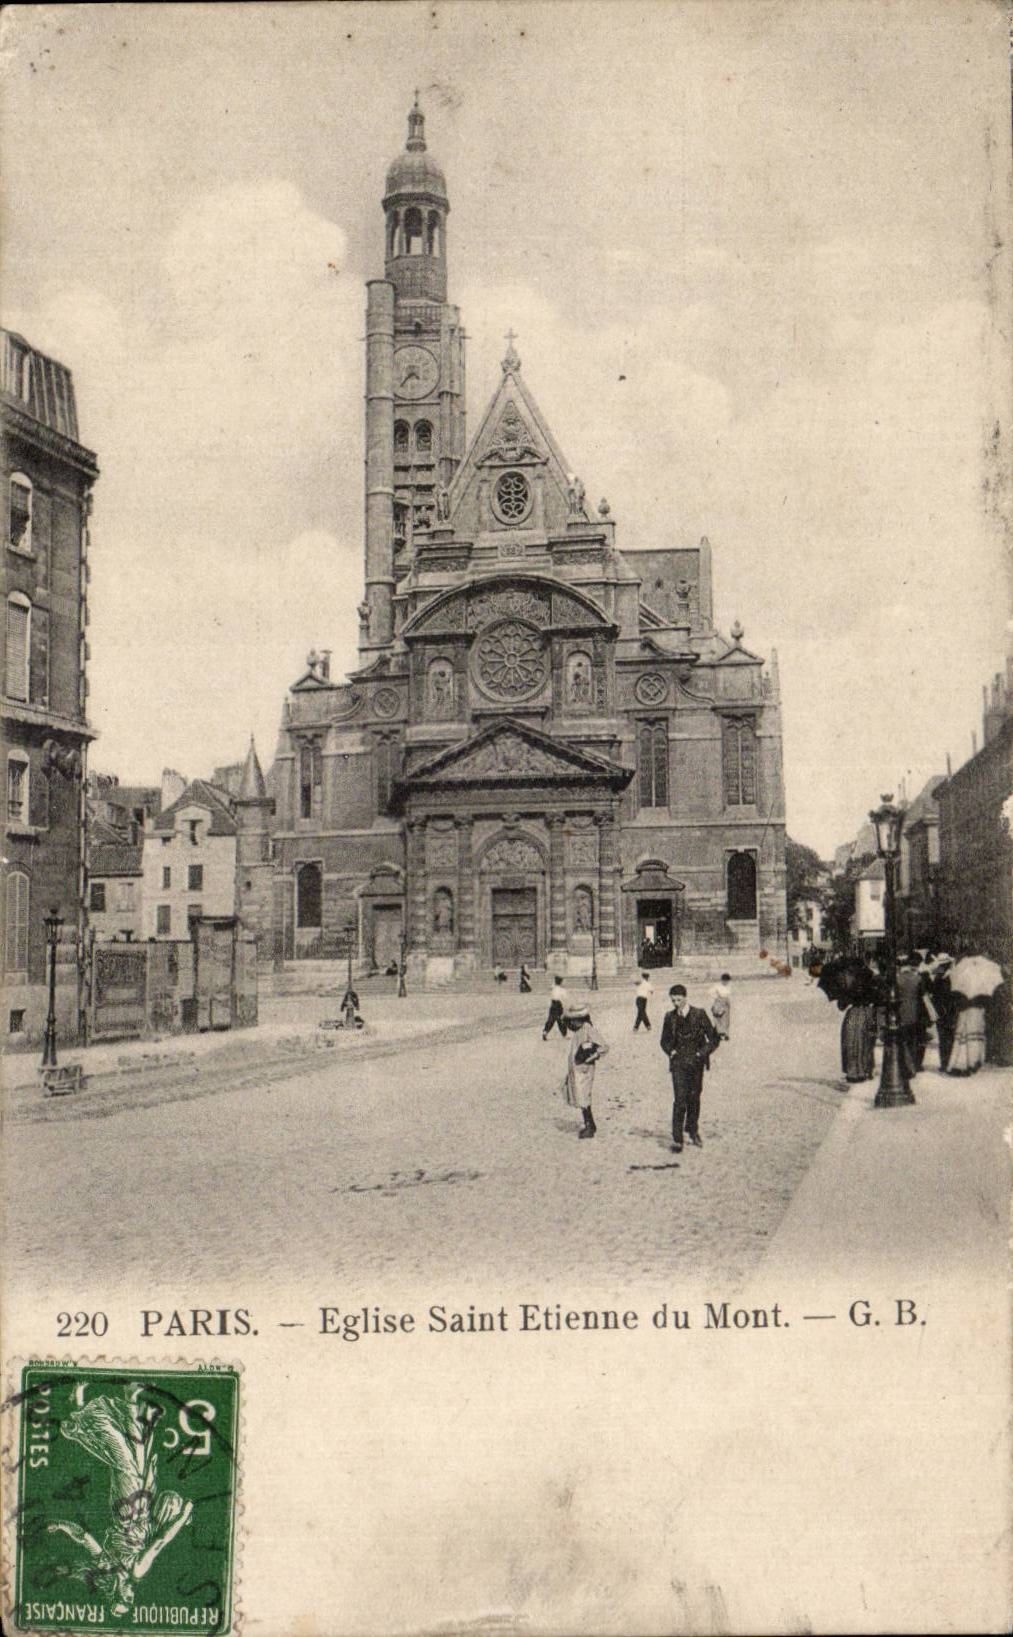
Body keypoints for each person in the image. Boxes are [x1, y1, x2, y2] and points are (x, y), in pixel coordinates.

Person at [660, 984, 719, 1152]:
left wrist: (701, 1053)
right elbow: (664, 1040)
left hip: (696, 1063)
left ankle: (693, 1130)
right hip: (678, 1064)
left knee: (694, 1098)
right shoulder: (669, 1017)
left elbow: (714, 1039)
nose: (676, 1003)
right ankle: (677, 1139)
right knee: (679, 1100)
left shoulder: (699, 1014)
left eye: (679, 1000)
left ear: (685, 998)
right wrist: (671, 1051)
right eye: (673, 1000)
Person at [561, 1002, 609, 1139]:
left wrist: (591, 1057)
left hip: (584, 1070)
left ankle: (590, 1126)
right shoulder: (579, 1030)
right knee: (580, 1095)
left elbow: (604, 1046)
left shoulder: (588, 1029)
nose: (572, 1023)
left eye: (574, 1020)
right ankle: (590, 1124)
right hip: (577, 1069)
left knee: (583, 1096)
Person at [896, 955, 927, 1076]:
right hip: (915, 1011)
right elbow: (922, 995)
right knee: (912, 1039)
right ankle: (912, 1065)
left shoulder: (897, 979)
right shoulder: (917, 978)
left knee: (902, 1039)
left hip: (900, 1011)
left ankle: (904, 1065)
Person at [948, 993, 987, 1075]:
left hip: (968, 1012)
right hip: (975, 1013)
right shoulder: (982, 991)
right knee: (972, 1040)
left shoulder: (962, 990)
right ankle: (972, 1063)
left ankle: (962, 1064)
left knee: (965, 1039)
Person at [542, 974, 568, 1039]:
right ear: (561, 982)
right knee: (561, 1020)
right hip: (558, 1005)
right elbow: (564, 999)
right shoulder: (562, 990)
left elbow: (551, 987)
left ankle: (545, 1031)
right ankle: (564, 1034)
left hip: (553, 1004)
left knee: (550, 1019)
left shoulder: (553, 988)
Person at [710, 973, 732, 1040]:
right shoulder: (717, 986)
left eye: (727, 981)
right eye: (725, 981)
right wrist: (716, 999)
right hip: (718, 1004)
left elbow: (728, 997)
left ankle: (726, 1034)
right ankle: (719, 1034)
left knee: (726, 1020)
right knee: (718, 1019)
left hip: (725, 1004)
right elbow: (710, 993)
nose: (726, 982)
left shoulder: (728, 987)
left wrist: (729, 1004)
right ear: (722, 980)